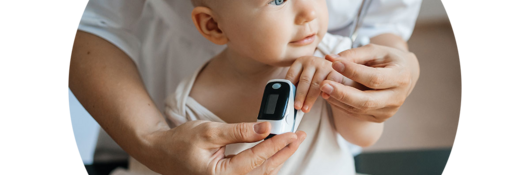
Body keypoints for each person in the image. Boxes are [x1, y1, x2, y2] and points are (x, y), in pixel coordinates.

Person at [68, 0, 421, 174]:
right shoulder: (184, 101)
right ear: (213, 25)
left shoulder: (333, 60)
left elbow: (365, 135)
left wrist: (340, 83)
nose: (308, 12)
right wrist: (153, 143)